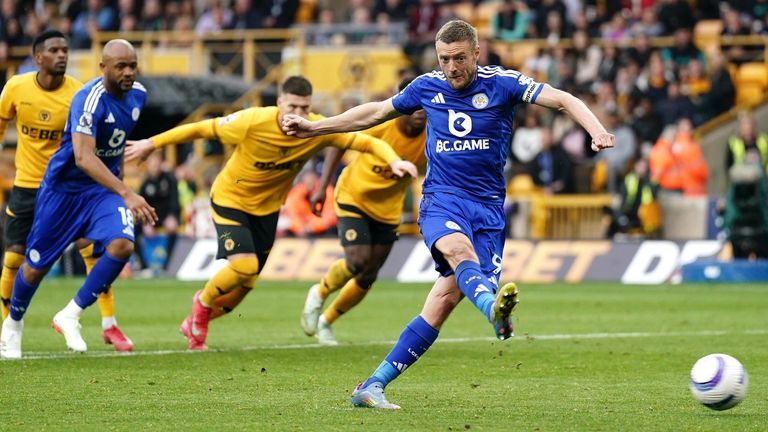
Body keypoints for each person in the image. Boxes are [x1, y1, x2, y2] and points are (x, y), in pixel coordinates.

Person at [282, 19, 615, 409]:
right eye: (444, 59)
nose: (452, 68)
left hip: (489, 209)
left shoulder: (503, 82)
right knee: (459, 253)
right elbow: (373, 113)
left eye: (459, 58)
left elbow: (563, 99)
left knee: (441, 303)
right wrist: (313, 128)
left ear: (477, 53)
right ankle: (493, 308)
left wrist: (597, 130)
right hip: (442, 199)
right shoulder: (427, 86)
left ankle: (371, 386)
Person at [124, 76, 418, 351]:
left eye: (304, 107)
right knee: (245, 268)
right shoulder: (252, 121)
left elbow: (364, 141)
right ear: (279, 102)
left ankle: (196, 320)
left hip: (266, 210)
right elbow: (202, 128)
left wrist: (394, 162)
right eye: (292, 106)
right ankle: (201, 302)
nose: (297, 113)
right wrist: (152, 143)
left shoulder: (314, 129)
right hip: (231, 199)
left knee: (244, 287)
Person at [0, 31, 134, 355]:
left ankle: (108, 322)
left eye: (65, 49)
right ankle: (9, 325)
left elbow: (102, 145)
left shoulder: (80, 93)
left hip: (72, 188)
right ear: (38, 58)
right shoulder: (16, 88)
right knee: (19, 257)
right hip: (28, 184)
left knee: (96, 250)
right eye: (54, 50)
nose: (62, 55)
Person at [300, 78, 427, 346]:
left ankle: (327, 322)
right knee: (357, 261)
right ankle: (318, 293)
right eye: (413, 107)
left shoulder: (432, 135)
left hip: (387, 210)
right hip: (353, 197)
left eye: (423, 108)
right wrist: (322, 186)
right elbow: (340, 142)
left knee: (368, 275)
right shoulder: (382, 123)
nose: (419, 113)